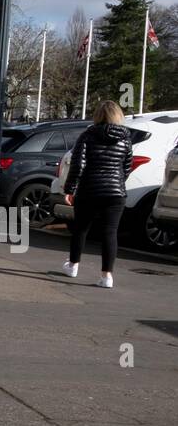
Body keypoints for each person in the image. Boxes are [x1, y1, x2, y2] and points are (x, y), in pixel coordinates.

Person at [61, 100, 133, 289]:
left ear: (98, 115)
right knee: (110, 232)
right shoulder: (125, 138)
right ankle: (107, 276)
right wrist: (116, 183)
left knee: (81, 229)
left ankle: (73, 265)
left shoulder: (87, 136)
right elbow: (126, 166)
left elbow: (78, 165)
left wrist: (70, 189)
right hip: (116, 192)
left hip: (89, 190)